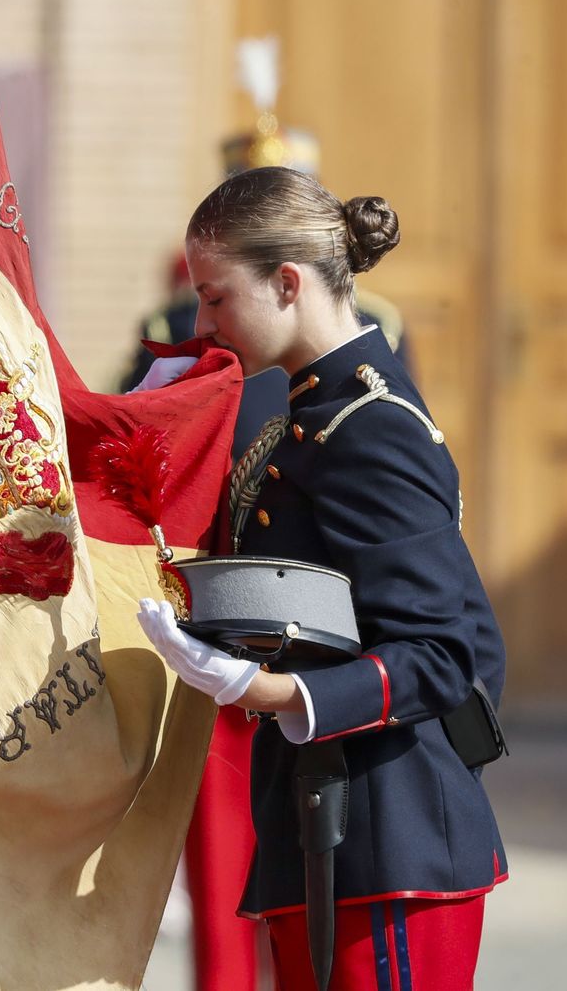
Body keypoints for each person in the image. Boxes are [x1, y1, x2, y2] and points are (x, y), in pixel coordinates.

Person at [136, 166, 506, 990]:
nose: (202, 322)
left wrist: (269, 695)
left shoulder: (370, 426)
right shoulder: (309, 415)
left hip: (391, 833)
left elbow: (447, 652)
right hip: (327, 820)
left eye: (217, 297)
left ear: (288, 282)